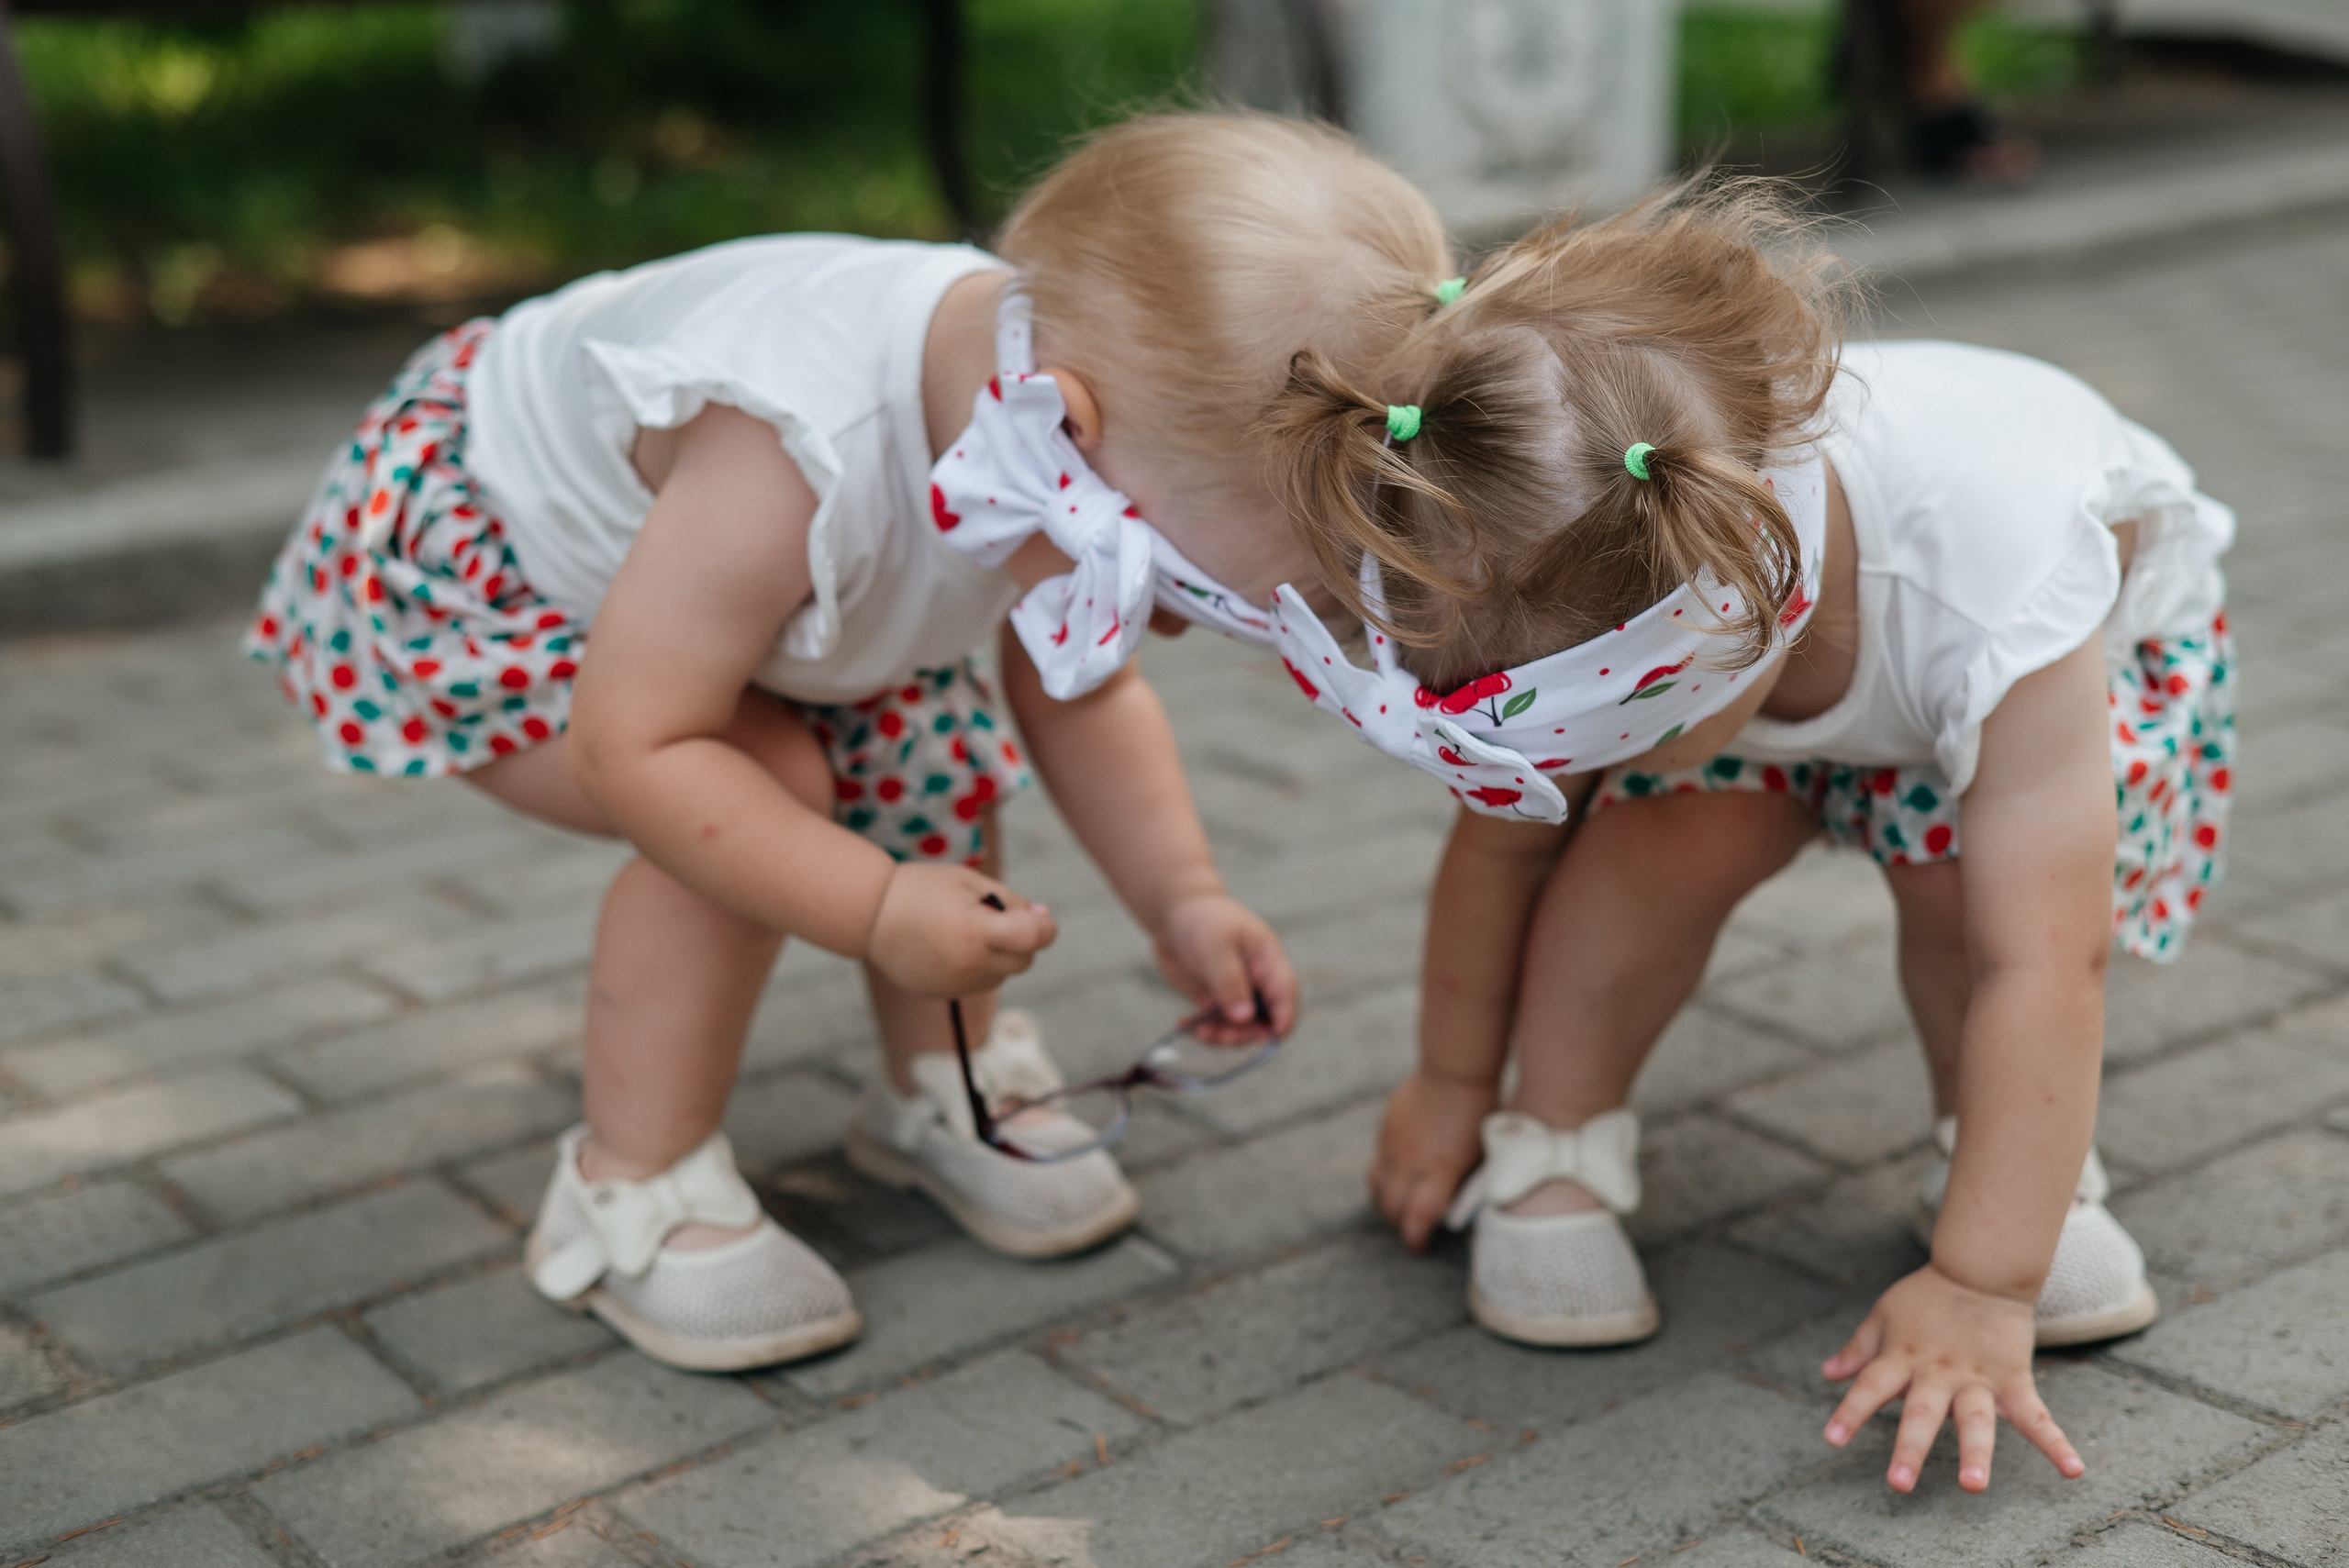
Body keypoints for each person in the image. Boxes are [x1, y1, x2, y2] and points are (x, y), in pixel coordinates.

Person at [244, 113, 1458, 1372]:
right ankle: (632, 1183)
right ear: (1069, 437)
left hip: (733, 603)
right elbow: (637, 747)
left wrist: (1185, 896)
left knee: (927, 735)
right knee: (762, 781)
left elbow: (1079, 686)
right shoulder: (785, 453)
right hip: (495, 556)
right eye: (1179, 585)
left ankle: (947, 1077)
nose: (1174, 625)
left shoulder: (1049, 413)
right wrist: (876, 904)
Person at [1253, 183, 2232, 1493]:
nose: (1560, 779)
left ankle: (2007, 1178)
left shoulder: (2004, 588)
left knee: (1960, 890)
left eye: (1595, 742)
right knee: (1657, 843)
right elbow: (1500, 848)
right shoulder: (1597, 552)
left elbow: (2046, 960)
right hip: (1793, 672)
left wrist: (1983, 1281)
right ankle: (1553, 1138)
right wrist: (1451, 1080)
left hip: (2021, 682)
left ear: (1728, 637)